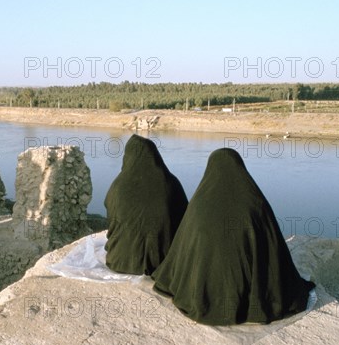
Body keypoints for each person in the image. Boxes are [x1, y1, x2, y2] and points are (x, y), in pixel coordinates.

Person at [152, 148, 315, 325]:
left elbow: (183, 247)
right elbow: (272, 246)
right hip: (250, 296)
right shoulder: (255, 203)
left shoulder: (199, 205)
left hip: (201, 294)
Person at [104, 134, 188, 276]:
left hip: (120, 260)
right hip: (162, 262)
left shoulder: (119, 185)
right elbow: (184, 221)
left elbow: (111, 215)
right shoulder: (171, 183)